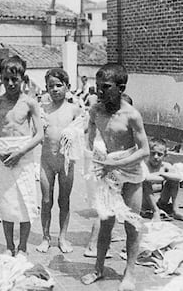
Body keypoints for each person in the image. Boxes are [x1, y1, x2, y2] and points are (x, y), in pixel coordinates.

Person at [81, 63, 149, 291]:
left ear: (121, 88)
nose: (100, 91)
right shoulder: (95, 110)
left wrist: (115, 163)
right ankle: (98, 268)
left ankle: (129, 272)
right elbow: (91, 136)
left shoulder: (131, 115)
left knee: (131, 224)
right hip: (107, 171)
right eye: (97, 86)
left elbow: (144, 151)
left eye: (106, 87)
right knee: (105, 222)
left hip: (130, 172)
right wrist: (95, 152)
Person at [0, 55, 43, 256]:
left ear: (22, 79)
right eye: (6, 79)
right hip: (3, 155)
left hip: (23, 154)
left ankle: (23, 246)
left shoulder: (30, 103)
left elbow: (39, 134)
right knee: (7, 201)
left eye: (15, 79)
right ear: (0, 78)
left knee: (26, 201)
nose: (10, 83)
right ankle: (9, 246)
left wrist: (21, 151)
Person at [36, 68, 83, 254]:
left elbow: (82, 129)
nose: (54, 89)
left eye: (58, 85)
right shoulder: (42, 110)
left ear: (67, 87)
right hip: (46, 161)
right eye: (50, 86)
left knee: (64, 200)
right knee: (46, 200)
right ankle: (45, 237)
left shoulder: (74, 109)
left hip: (66, 163)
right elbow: (36, 133)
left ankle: (62, 237)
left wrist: (74, 132)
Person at [142, 138, 183, 221]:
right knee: (145, 182)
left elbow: (179, 178)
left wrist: (161, 174)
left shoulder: (166, 166)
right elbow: (146, 178)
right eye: (153, 153)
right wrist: (164, 177)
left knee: (173, 180)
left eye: (159, 154)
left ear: (165, 155)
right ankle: (155, 210)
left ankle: (176, 210)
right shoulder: (144, 165)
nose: (155, 157)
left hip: (161, 201)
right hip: (145, 201)